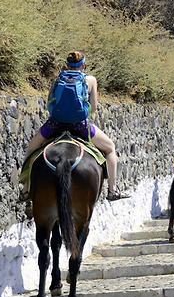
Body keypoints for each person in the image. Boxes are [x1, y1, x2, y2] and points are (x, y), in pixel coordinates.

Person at [24, 51, 129, 201]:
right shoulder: (90, 80)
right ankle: (112, 190)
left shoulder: (57, 79)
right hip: (80, 126)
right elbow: (93, 108)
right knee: (110, 148)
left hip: (55, 124)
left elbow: (49, 104)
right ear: (83, 65)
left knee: (31, 148)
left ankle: (26, 190)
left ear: (66, 65)